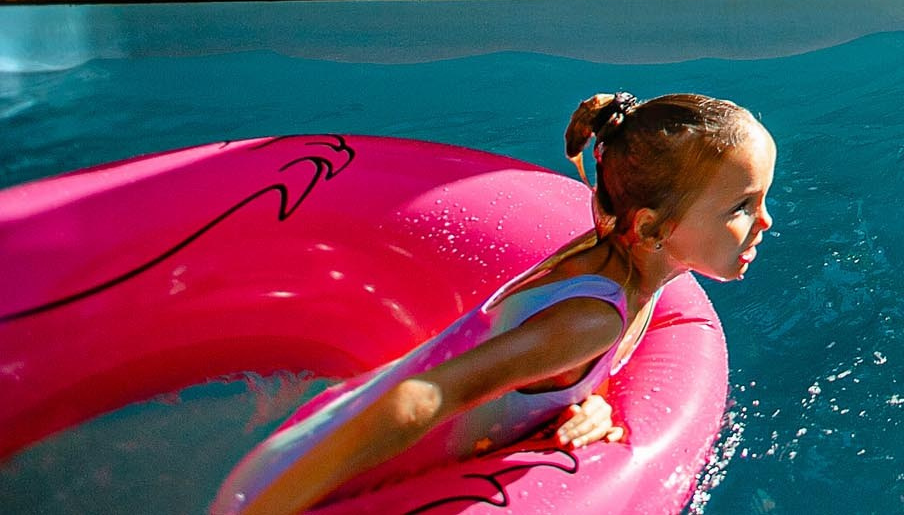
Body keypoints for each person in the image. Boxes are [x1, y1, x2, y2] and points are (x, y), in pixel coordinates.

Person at [211, 93, 776, 515]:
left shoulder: (617, 267)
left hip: (326, 431)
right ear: (652, 227)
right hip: (315, 480)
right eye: (742, 207)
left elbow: (543, 363)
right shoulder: (590, 319)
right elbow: (423, 398)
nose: (765, 221)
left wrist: (591, 397)